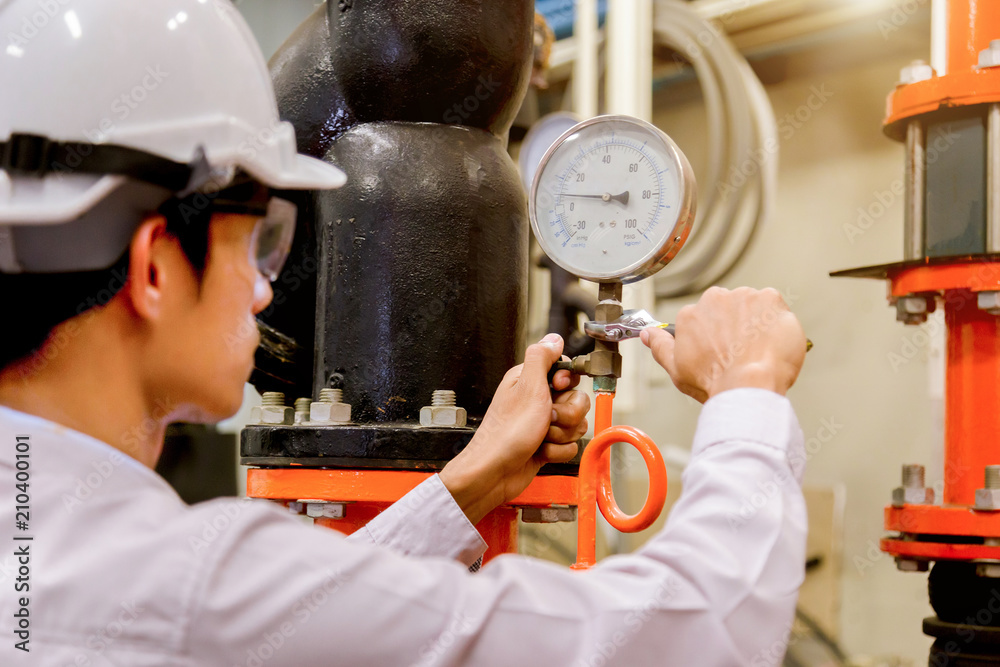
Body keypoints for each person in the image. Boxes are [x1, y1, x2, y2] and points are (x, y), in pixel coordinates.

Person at [0, 1, 809, 665]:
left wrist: (472, 483)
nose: (264, 284)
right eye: (262, 238)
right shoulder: (181, 586)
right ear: (152, 269)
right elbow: (705, 632)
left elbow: (293, 625)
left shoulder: (53, 548)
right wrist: (747, 394)